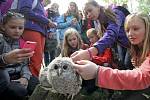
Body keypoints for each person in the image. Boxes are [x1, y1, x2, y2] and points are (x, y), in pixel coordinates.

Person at [73, 13, 150, 100]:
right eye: (127, 30)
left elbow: (143, 77)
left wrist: (97, 72)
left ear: (147, 29)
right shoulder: (137, 47)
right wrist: (139, 65)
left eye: (136, 29)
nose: (130, 34)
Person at [71, 0, 132, 70]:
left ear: (97, 6)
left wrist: (90, 52)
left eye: (90, 10)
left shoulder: (115, 12)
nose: (89, 15)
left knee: (128, 63)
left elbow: (111, 33)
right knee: (121, 63)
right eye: (86, 13)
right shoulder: (99, 22)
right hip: (123, 44)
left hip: (134, 43)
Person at [0, 11, 35, 100]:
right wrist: (5, 59)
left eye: (20, 28)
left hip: (19, 75)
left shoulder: (22, 43)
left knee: (36, 84)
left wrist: (25, 77)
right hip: (5, 78)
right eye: (12, 27)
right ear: (3, 27)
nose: (17, 31)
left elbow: (25, 64)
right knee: (19, 91)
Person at [17, 0, 56, 77]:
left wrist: (48, 26)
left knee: (38, 58)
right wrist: (47, 21)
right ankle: (33, 82)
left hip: (40, 31)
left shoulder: (39, 3)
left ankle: (35, 79)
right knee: (35, 59)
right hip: (32, 29)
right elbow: (24, 11)